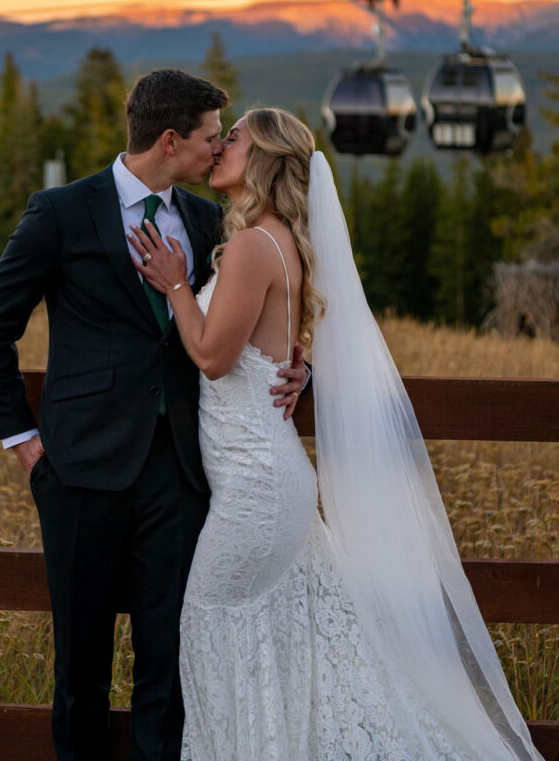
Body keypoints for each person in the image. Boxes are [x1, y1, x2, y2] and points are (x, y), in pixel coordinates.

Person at [130, 107, 543, 761]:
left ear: (263, 158)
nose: (219, 147)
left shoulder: (249, 246)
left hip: (254, 492)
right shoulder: (279, 242)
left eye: (232, 138)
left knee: (208, 623)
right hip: (269, 482)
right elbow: (268, 349)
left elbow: (211, 356)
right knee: (274, 644)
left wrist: (178, 285)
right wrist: (302, 368)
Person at [0, 71, 308, 761]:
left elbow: (265, 309)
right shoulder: (60, 211)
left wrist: (301, 368)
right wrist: (24, 442)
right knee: (81, 667)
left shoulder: (212, 218)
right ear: (169, 140)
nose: (220, 149)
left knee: (170, 659)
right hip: (80, 470)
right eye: (212, 137)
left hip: (182, 473)